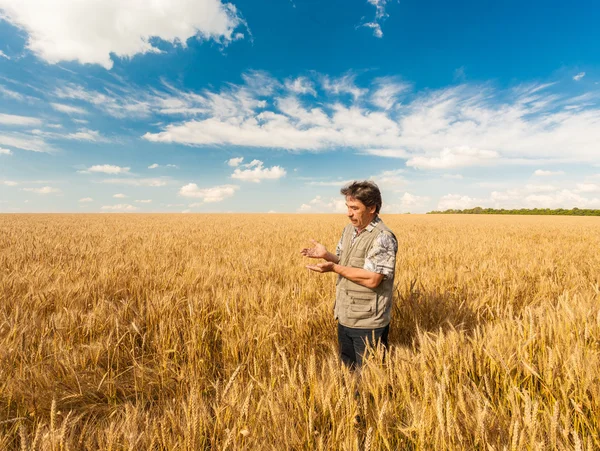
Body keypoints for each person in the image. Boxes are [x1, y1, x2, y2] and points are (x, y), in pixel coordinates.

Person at [301, 180, 398, 369]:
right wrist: (327, 255)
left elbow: (373, 279)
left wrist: (333, 268)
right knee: (349, 374)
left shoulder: (383, 237)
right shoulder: (349, 231)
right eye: (347, 207)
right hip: (345, 316)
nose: (349, 213)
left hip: (368, 322)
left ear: (371, 208)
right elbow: (344, 263)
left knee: (370, 380)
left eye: (354, 208)